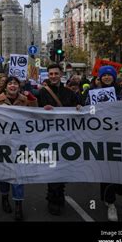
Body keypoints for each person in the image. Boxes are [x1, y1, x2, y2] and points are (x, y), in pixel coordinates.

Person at [84, 65, 122, 221]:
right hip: (102, 136)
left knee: (120, 169)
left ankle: (111, 194)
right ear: (100, 77)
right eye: (103, 75)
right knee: (107, 170)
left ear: (114, 76)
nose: (106, 77)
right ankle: (110, 202)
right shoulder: (93, 93)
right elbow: (87, 110)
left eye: (109, 75)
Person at [0, 76, 37, 221]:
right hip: (2, 143)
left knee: (18, 175)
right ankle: (4, 198)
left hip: (20, 143)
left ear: (19, 86)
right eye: (10, 83)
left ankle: (18, 206)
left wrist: (33, 99)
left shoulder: (25, 100)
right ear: (5, 87)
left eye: (15, 83)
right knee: (4, 174)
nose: (12, 85)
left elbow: (36, 113)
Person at [37, 64, 81, 216]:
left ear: (61, 74)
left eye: (56, 73)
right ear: (48, 76)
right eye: (51, 74)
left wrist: (79, 107)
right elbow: (32, 112)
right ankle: (53, 200)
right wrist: (42, 109)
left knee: (63, 168)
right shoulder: (42, 93)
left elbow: (80, 106)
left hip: (66, 137)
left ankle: (58, 195)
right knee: (53, 167)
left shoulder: (69, 92)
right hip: (48, 137)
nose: (53, 76)